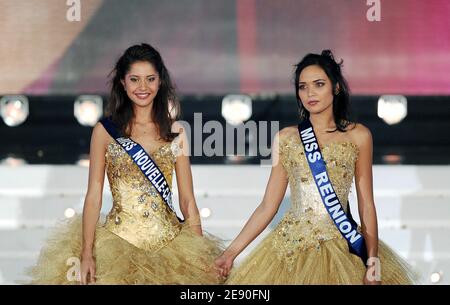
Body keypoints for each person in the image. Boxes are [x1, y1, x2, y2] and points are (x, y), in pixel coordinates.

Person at [215, 50, 418, 284]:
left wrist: (372, 260)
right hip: (291, 248)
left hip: (344, 246)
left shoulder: (359, 135)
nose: (310, 93)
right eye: (303, 87)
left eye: (319, 84)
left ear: (336, 87)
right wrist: (230, 253)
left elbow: (366, 204)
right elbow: (268, 206)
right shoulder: (286, 138)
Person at [26, 43, 223, 284]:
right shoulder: (106, 132)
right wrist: (87, 252)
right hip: (117, 243)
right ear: (123, 82)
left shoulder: (176, 131)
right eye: (135, 79)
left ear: (160, 82)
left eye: (150, 79)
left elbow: (187, 200)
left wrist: (198, 252)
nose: (143, 87)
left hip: (171, 245)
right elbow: (94, 195)